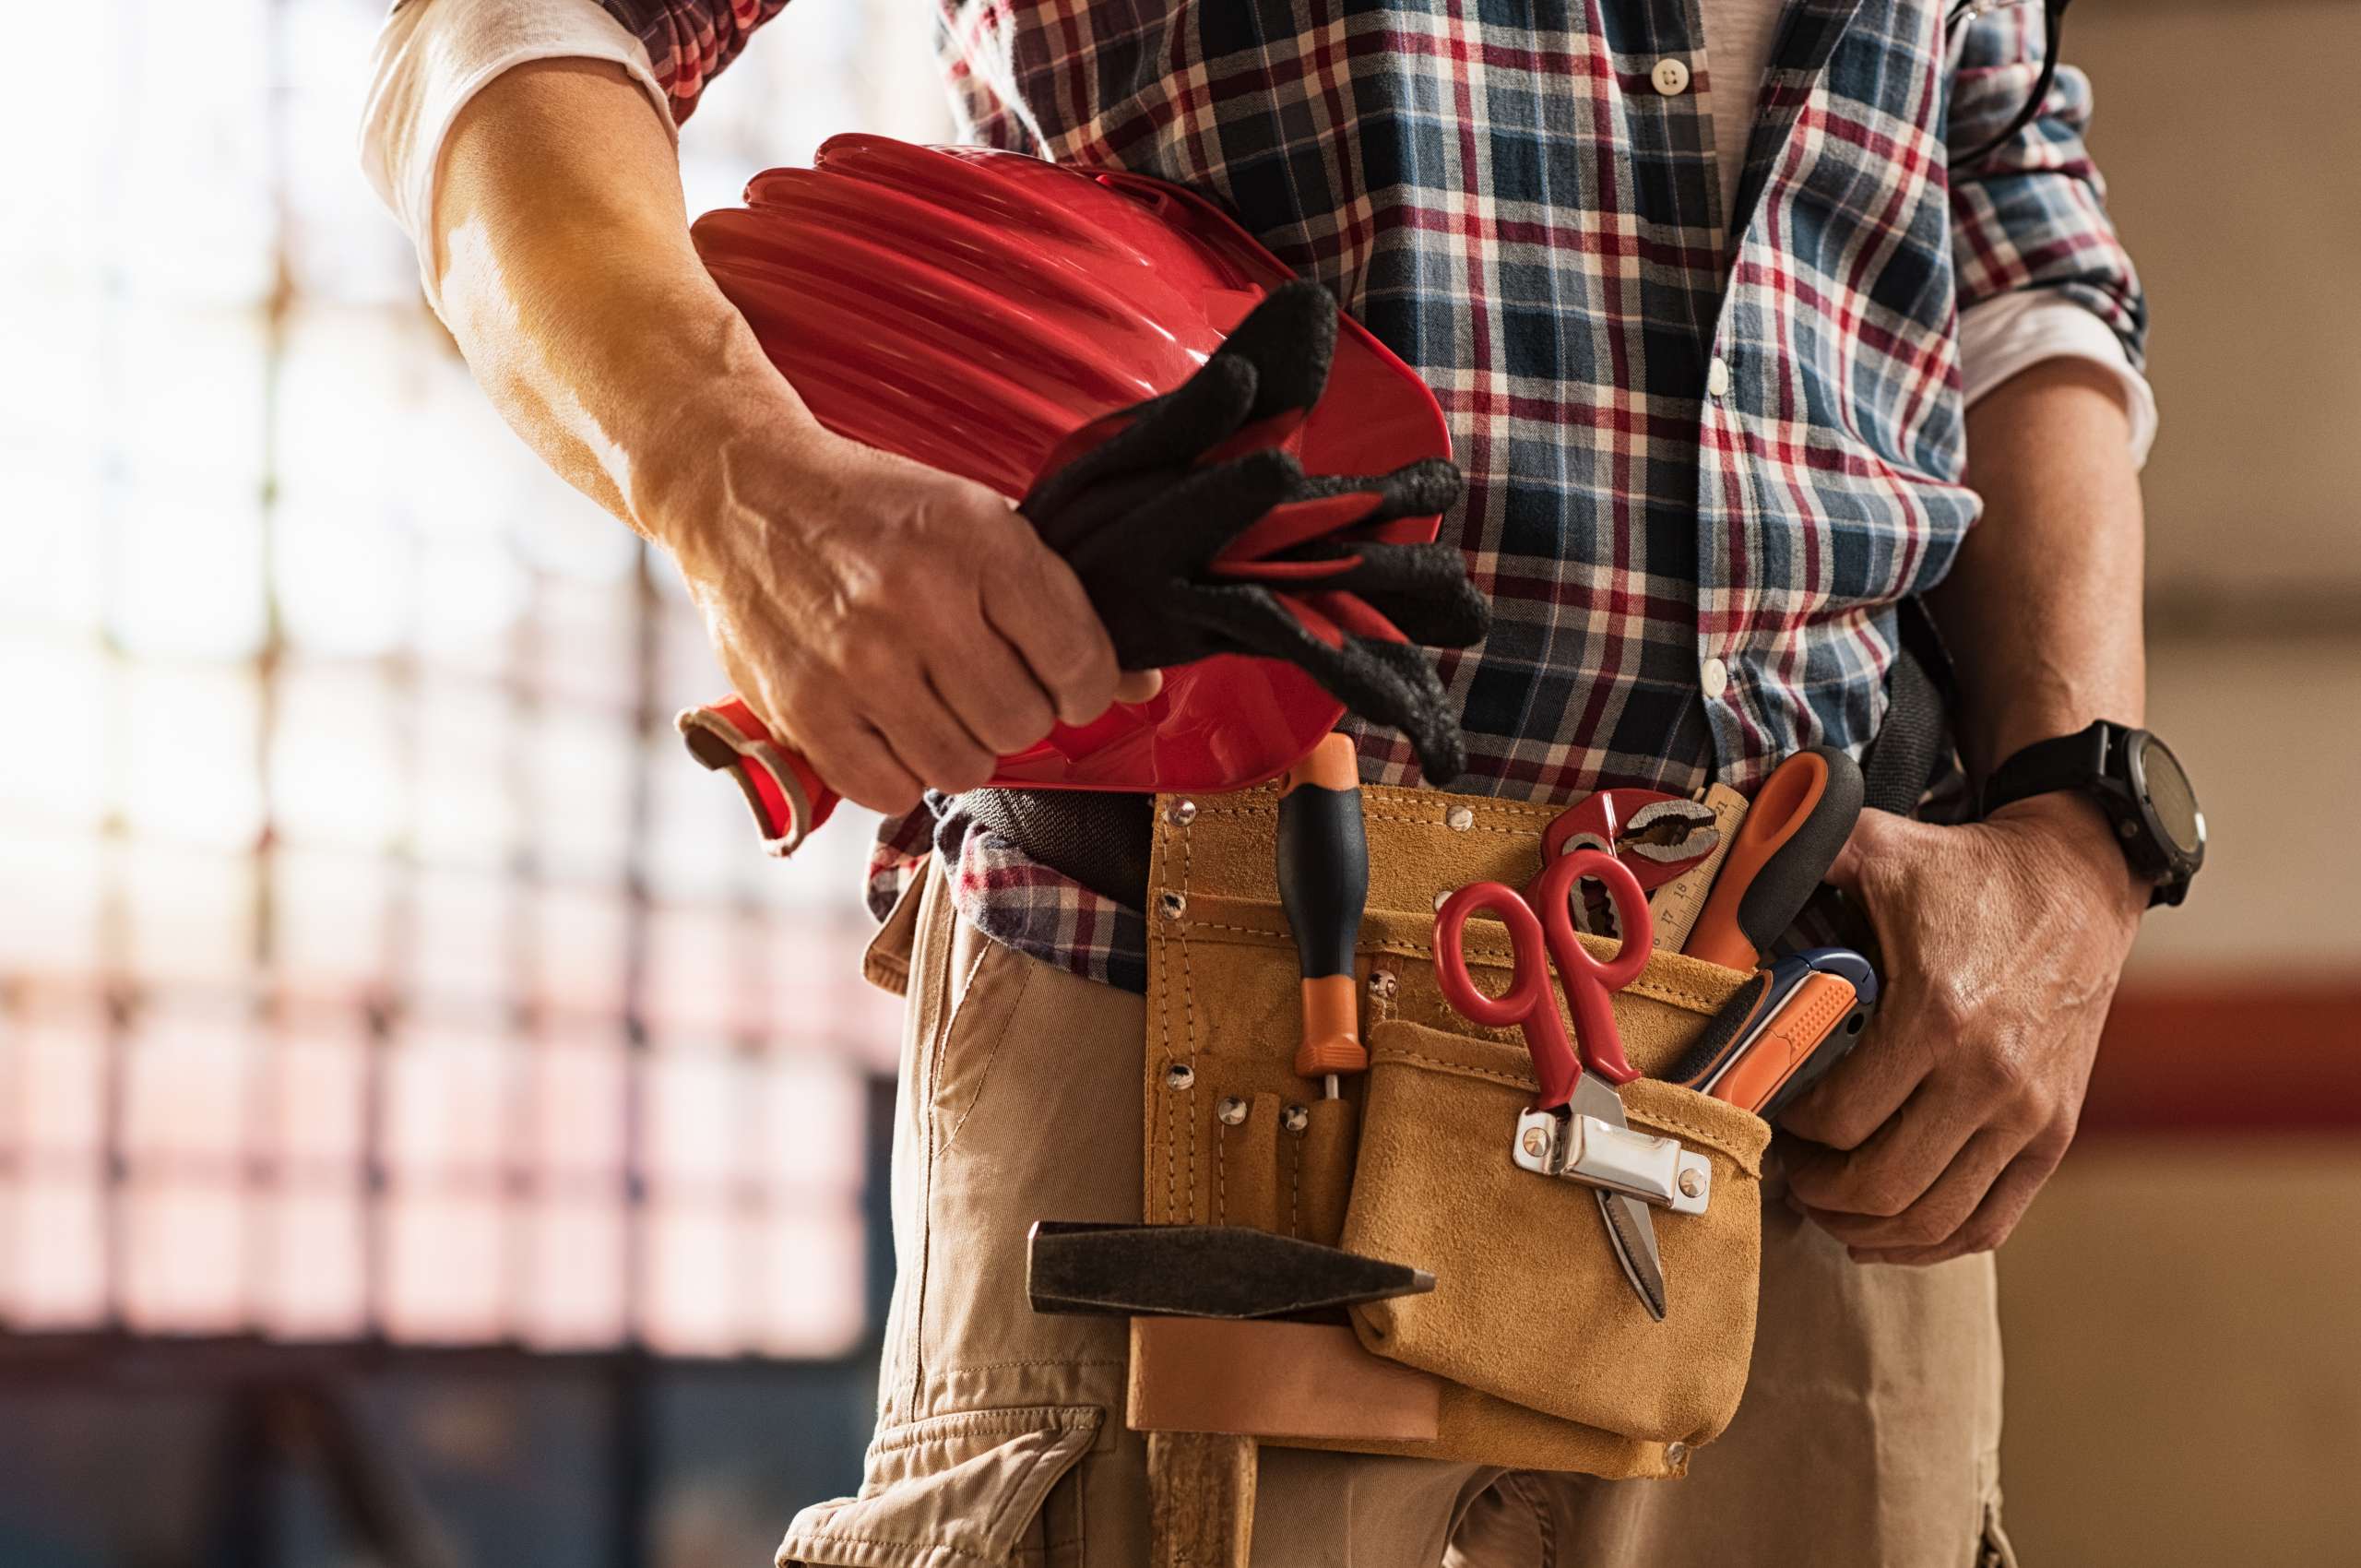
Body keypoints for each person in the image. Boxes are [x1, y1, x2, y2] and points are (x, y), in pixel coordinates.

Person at [362, 1, 2165, 1562]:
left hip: (1819, 1085)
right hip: (1174, 1038)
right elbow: (497, 36)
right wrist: (731, 477)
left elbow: (2009, 227)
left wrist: (2082, 824)